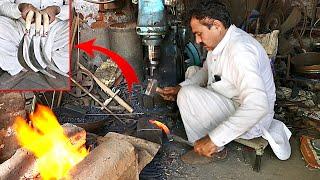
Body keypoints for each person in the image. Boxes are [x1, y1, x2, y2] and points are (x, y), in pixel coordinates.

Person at [157, 0, 292, 160]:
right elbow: (207, 71)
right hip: (232, 99)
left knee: (187, 95)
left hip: (252, 120)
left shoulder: (240, 52)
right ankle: (204, 143)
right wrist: (180, 87)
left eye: (199, 34)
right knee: (191, 75)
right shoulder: (220, 43)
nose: (197, 41)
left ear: (216, 26)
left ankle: (211, 148)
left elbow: (257, 105)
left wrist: (214, 139)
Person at [0, 0, 69, 76]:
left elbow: (76, 8)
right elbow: (2, 6)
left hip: (55, 30)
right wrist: (19, 8)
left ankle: (51, 61)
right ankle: (20, 62)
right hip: (20, 28)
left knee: (73, 28)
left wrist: (58, 10)